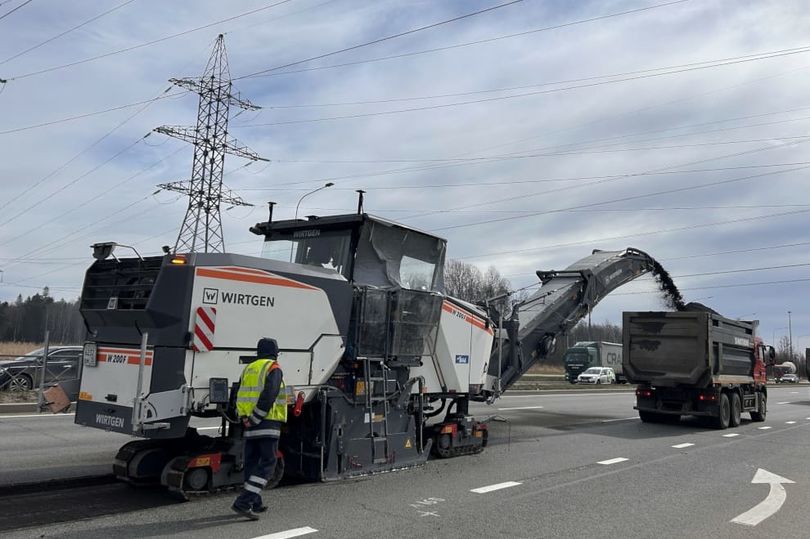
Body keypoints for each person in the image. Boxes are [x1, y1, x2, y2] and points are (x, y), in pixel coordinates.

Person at [231, 337, 287, 520]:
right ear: (275, 353)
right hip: (267, 422)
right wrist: (256, 417)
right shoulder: (273, 368)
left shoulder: (249, 368)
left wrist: (245, 418)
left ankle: (255, 502)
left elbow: (236, 394)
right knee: (268, 464)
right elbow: (269, 394)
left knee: (252, 463)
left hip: (249, 424)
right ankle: (243, 503)